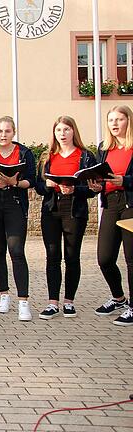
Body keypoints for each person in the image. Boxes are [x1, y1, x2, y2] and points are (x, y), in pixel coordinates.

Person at [35, 116, 97, 319]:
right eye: (59, 130)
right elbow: (39, 186)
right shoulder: (47, 157)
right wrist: (48, 186)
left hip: (74, 210)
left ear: (73, 132)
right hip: (52, 210)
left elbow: (92, 189)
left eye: (66, 130)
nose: (62, 134)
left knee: (72, 256)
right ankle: (53, 302)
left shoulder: (86, 156)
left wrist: (75, 190)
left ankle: (69, 302)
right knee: (52, 256)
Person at [0, 116, 36, 321]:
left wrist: (15, 182)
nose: (3, 135)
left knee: (17, 251)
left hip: (15, 201)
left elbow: (32, 180)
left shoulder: (24, 152)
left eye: (7, 131)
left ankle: (23, 301)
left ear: (14, 132)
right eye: (0, 131)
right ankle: (4, 295)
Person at [89, 105, 133, 326]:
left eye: (119, 119)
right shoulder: (104, 148)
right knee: (104, 258)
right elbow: (100, 174)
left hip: (130, 202)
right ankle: (118, 298)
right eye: (111, 120)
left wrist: (124, 181)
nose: (115, 124)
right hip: (110, 203)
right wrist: (96, 186)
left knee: (131, 258)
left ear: (128, 121)